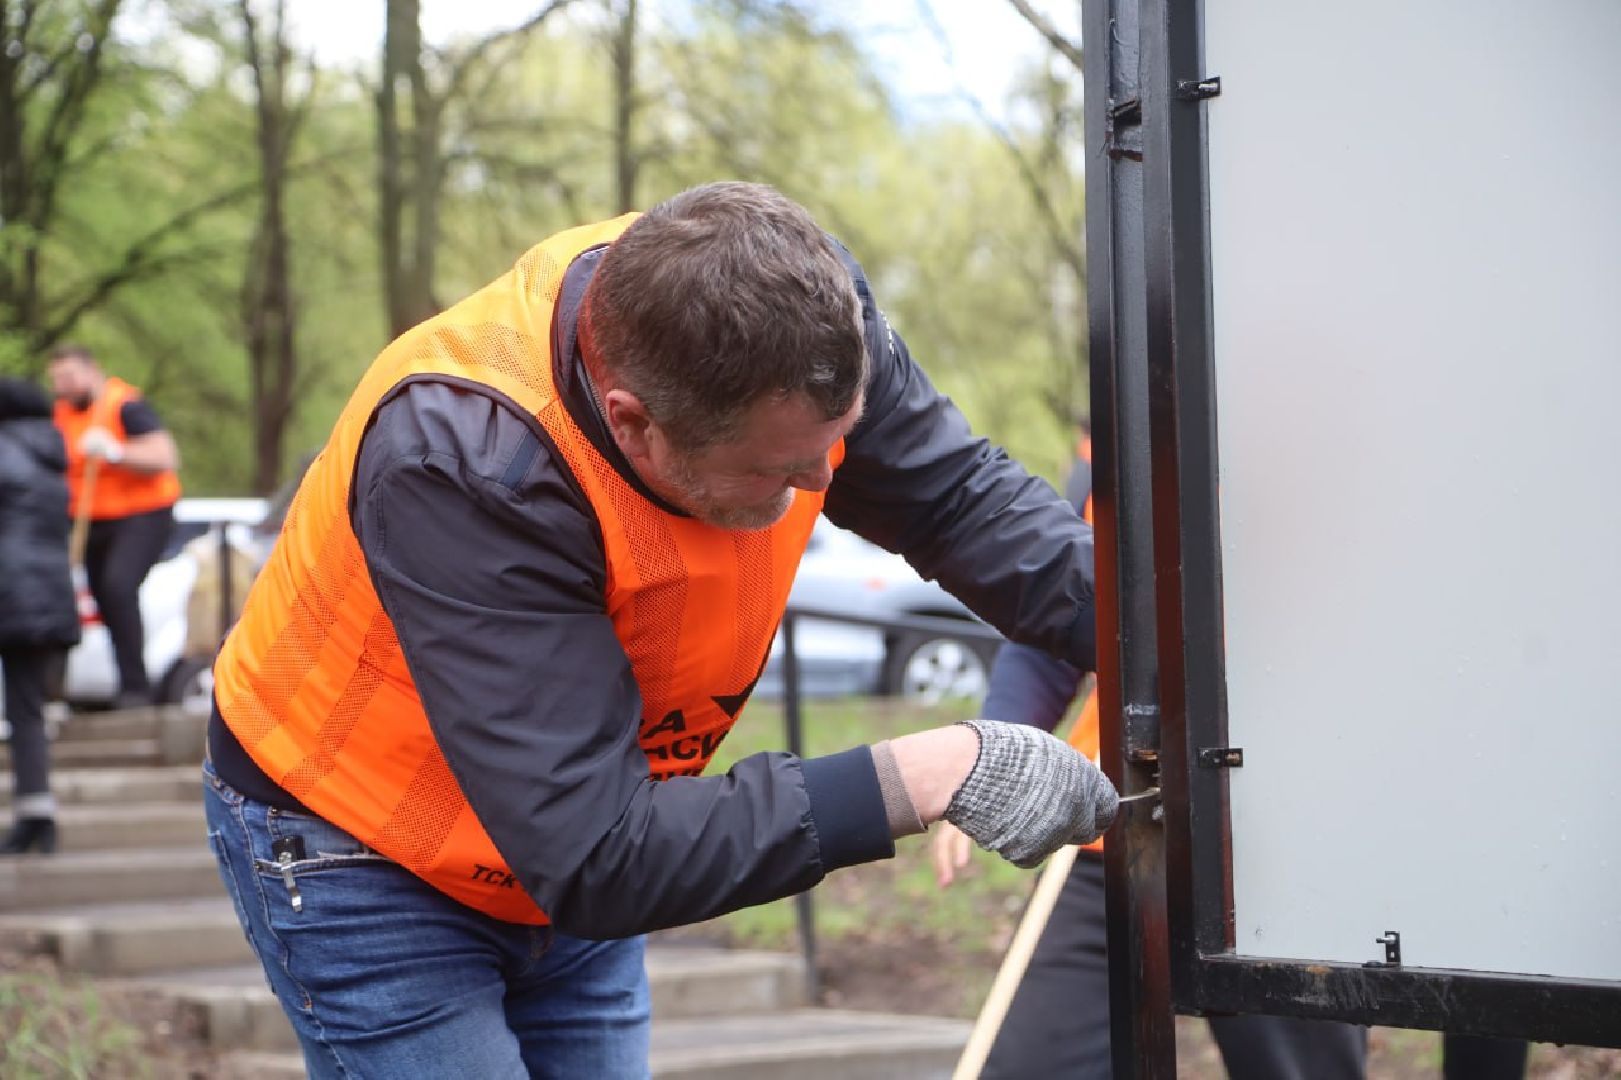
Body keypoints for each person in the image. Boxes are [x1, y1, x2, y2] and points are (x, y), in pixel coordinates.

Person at [204, 181, 1118, 1077]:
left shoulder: (803, 320)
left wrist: (1185, 647)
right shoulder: (466, 459)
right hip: (362, 848)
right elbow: (597, 854)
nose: (822, 482)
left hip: (588, 828)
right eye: (777, 470)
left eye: (830, 444)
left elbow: (958, 502)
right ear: (633, 423)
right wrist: (929, 772)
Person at [934, 440, 1528, 1080]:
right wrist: (991, 756)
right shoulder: (1122, 428)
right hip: (1124, 818)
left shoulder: (1361, 433)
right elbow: (1058, 613)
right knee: (1034, 1065)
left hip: (1284, 840)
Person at [47, 345, 181, 708]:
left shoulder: (124, 406)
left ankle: (136, 690)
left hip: (142, 514)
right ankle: (122, 683)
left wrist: (117, 452)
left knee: (118, 586)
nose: (64, 385)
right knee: (103, 598)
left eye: (70, 376)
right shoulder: (59, 415)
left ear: (92, 372)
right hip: (91, 519)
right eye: (58, 378)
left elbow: (165, 456)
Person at [0, 377, 82, 855]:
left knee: (23, 711)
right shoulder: (50, 459)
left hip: (8, 591)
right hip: (45, 596)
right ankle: (37, 814)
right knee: (27, 711)